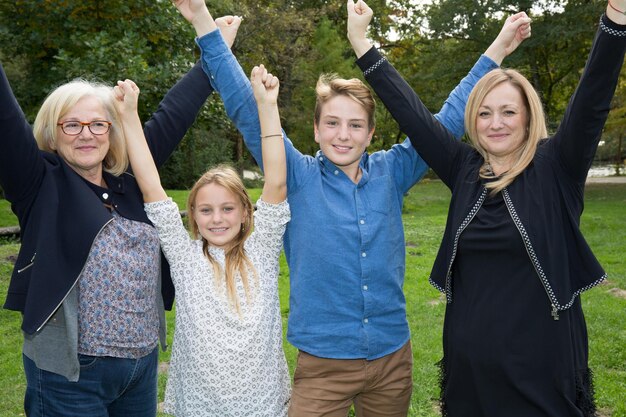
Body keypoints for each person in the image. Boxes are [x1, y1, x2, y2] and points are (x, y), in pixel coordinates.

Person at [197, 0, 530, 414]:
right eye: (332, 123)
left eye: (355, 125)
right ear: (316, 129)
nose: (343, 135)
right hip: (322, 365)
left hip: (392, 360)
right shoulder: (296, 177)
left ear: (370, 133)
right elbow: (248, 111)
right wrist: (204, 27)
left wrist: (497, 49)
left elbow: (446, 120)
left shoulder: (394, 171)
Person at [348, 0, 626, 415]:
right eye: (484, 113)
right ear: (472, 121)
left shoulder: (557, 166)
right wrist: (361, 44)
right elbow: (413, 115)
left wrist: (616, 19)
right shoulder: (462, 168)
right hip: (471, 369)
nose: (496, 123)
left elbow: (592, 98)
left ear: (528, 118)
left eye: (508, 112)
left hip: (543, 366)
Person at [0, 11, 239, 417]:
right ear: (52, 133)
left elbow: (174, 114)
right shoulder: (39, 181)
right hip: (70, 374)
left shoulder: (131, 179)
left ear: (113, 131)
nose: (87, 134)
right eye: (71, 125)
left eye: (98, 124)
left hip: (140, 368)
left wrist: (215, 49)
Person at [115, 6, 290, 416]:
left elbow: (277, 182)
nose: (217, 218)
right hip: (199, 405)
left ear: (246, 213)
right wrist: (127, 118)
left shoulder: (261, 250)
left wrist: (267, 106)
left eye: (227, 208)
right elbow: (150, 184)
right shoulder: (183, 254)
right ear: (192, 216)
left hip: (262, 404)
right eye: (206, 210)